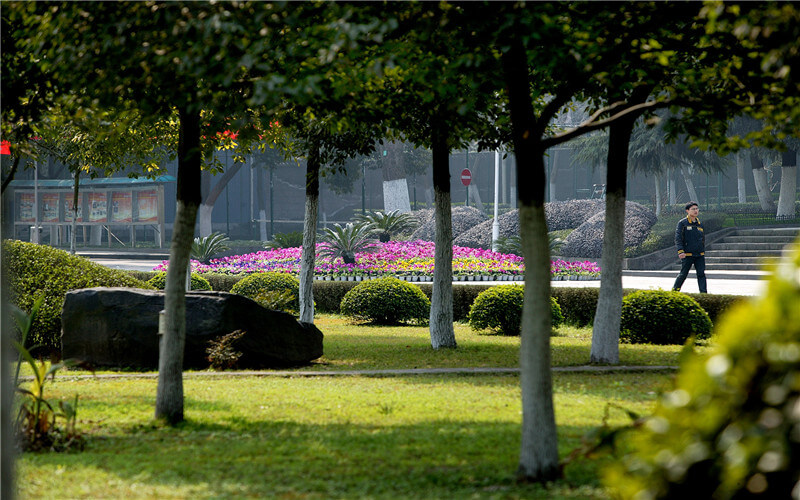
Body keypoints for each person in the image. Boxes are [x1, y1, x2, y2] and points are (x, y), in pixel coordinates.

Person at [672, 201, 707, 293]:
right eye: (693, 209)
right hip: (687, 254)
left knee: (701, 274)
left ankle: (704, 294)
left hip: (699, 254)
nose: (696, 211)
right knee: (683, 274)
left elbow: (702, 238)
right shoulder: (682, 223)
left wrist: (702, 250)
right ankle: (674, 292)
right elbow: (678, 238)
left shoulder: (700, 224)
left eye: (696, 209)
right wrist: (680, 251)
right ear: (687, 211)